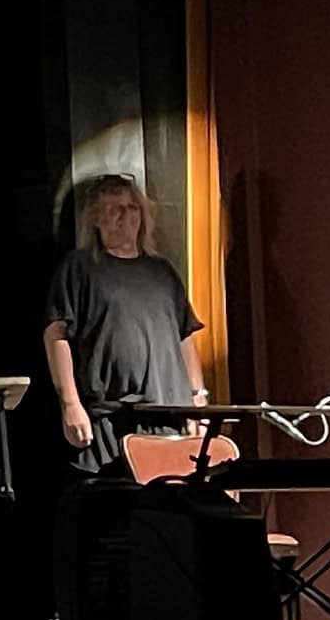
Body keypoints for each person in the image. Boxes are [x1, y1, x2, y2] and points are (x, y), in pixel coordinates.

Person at [41, 173, 206, 473]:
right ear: (96, 218)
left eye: (132, 208)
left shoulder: (162, 271)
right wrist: (70, 404)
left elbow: (185, 336)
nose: (125, 216)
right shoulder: (79, 268)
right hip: (110, 420)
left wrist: (198, 398)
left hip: (167, 416)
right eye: (115, 209)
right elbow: (56, 335)